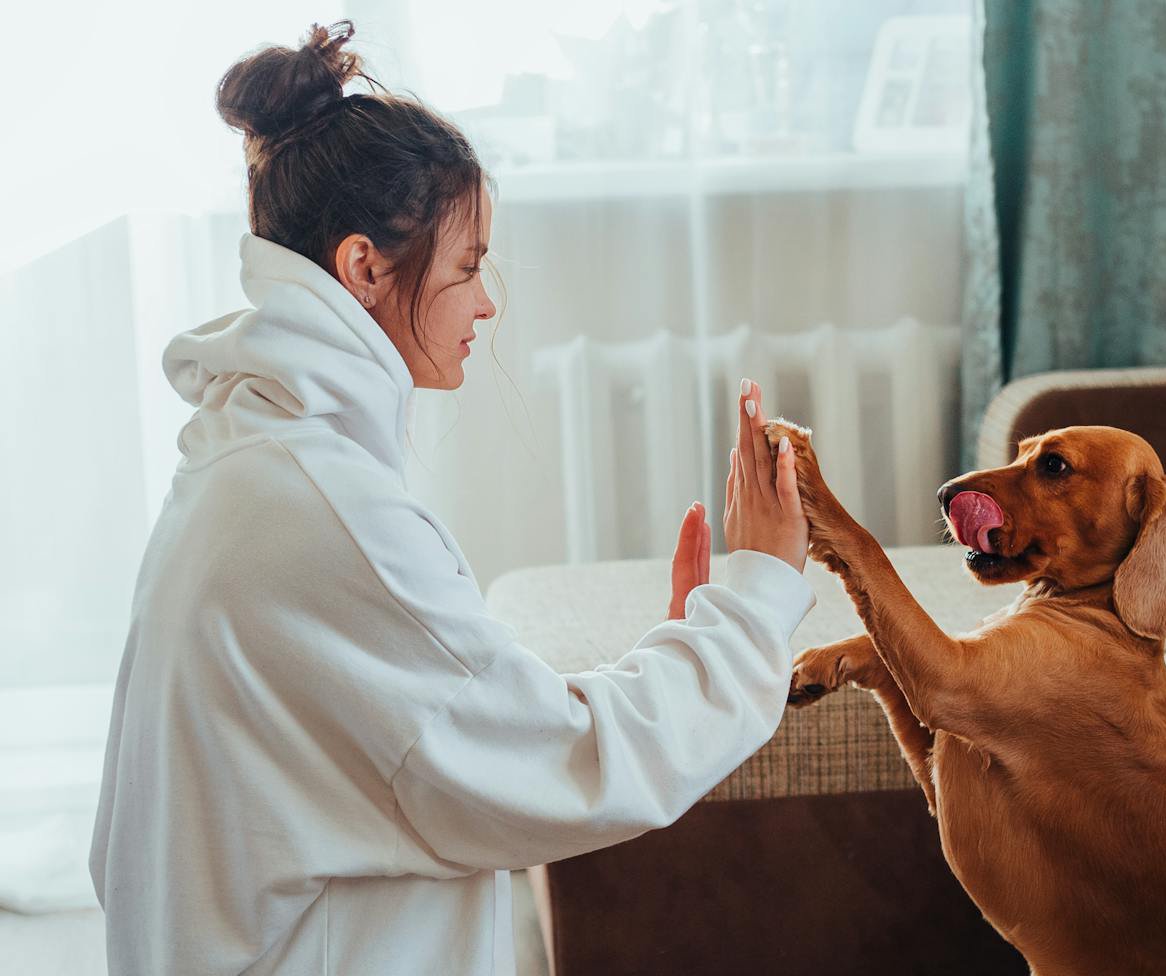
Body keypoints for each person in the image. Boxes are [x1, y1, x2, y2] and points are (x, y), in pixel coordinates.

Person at [89, 21, 814, 976]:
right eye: (469, 267)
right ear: (363, 268)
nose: (487, 303)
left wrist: (683, 645)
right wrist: (758, 593)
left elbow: (463, 731)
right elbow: (566, 767)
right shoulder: (324, 512)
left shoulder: (250, 457)